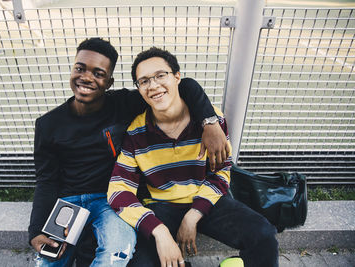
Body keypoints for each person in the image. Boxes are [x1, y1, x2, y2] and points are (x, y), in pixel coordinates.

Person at [29, 38, 230, 267]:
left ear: (109, 82)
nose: (86, 77)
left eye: (98, 73)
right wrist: (35, 230)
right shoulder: (48, 124)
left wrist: (210, 123)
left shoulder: (124, 103)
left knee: (117, 253)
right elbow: (46, 180)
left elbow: (184, 85)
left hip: (108, 198)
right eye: (80, 68)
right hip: (68, 202)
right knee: (50, 259)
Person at [107, 47, 279, 267]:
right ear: (139, 89)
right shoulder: (136, 132)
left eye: (161, 75)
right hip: (161, 205)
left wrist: (194, 213)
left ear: (177, 77)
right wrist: (158, 231)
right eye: (144, 81)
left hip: (208, 200)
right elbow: (118, 190)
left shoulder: (211, 121)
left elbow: (221, 173)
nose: (154, 86)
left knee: (263, 234)